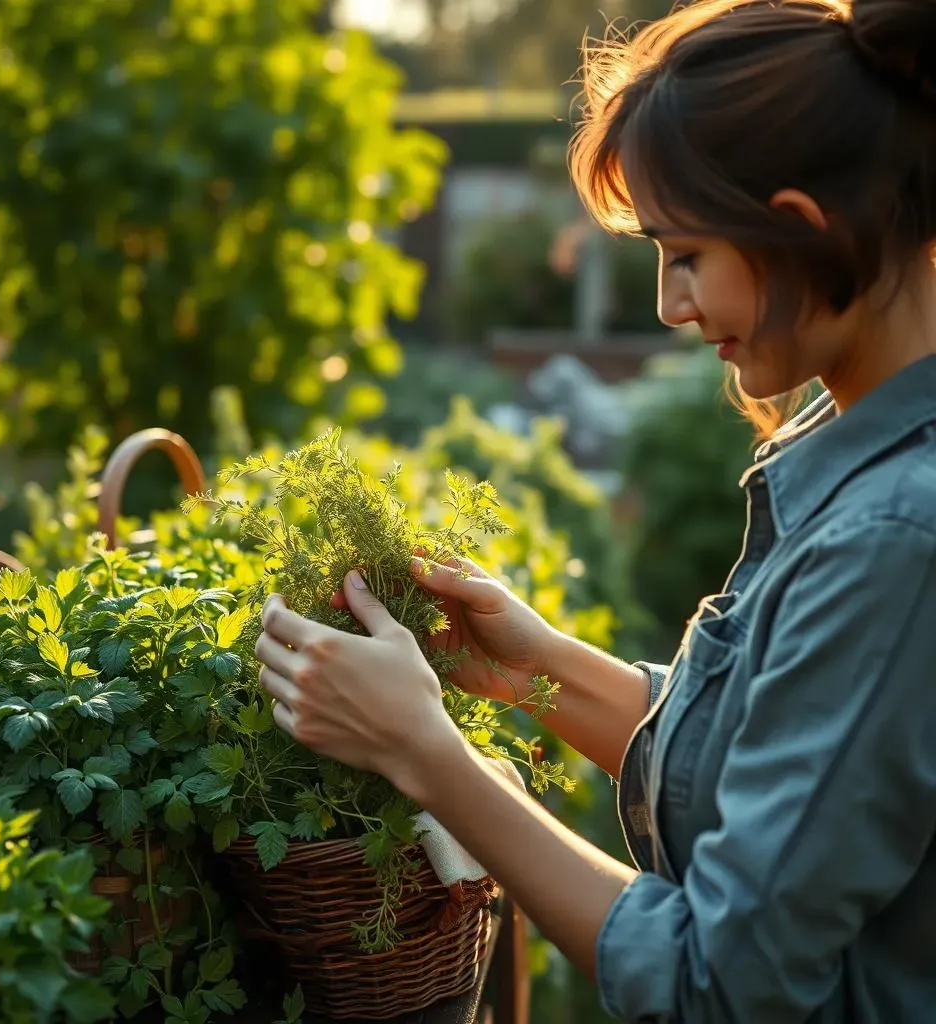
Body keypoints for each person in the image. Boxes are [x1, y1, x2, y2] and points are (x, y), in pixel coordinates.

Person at [254, 0, 936, 1018]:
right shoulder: (854, 452)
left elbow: (719, 983)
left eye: (685, 254)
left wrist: (425, 753)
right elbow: (779, 762)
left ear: (800, 227)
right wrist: (533, 672)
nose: (668, 305)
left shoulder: (892, 538)